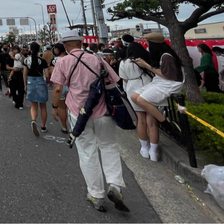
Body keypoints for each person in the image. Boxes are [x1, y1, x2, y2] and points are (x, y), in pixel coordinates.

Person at [51, 29, 128, 213]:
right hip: (103, 111)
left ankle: (96, 194)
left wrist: (55, 107)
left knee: (87, 152)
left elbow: (57, 89)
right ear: (81, 43)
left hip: (79, 113)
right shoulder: (96, 58)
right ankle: (115, 185)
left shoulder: (63, 62)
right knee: (109, 146)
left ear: (65, 46)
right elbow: (114, 80)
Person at [130, 33, 184, 162]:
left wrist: (146, 65)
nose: (147, 46)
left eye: (148, 43)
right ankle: (157, 114)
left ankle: (164, 122)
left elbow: (169, 76)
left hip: (169, 84)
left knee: (141, 100)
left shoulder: (166, 56)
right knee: (134, 96)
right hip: (160, 81)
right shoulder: (162, 54)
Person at [118, 42, 154, 159]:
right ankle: (154, 149)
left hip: (132, 88)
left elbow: (124, 79)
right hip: (148, 86)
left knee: (140, 119)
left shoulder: (124, 62)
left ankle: (144, 147)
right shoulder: (146, 58)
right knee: (151, 119)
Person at [23, 42, 49, 136]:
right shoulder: (42, 61)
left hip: (30, 82)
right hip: (40, 82)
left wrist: (25, 84)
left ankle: (33, 120)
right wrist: (47, 82)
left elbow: (24, 74)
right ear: (39, 50)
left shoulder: (26, 60)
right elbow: (47, 75)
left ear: (30, 49)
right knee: (43, 106)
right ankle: (43, 126)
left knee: (33, 105)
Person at [50, 43, 68, 133]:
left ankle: (64, 127)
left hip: (60, 85)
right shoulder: (70, 58)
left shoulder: (54, 60)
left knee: (62, 108)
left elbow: (52, 73)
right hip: (71, 85)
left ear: (57, 49)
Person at [9, 45, 25, 110]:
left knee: (16, 89)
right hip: (19, 72)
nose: (13, 51)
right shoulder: (21, 55)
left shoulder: (17, 55)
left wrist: (11, 55)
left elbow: (15, 59)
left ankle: (18, 103)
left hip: (17, 72)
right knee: (20, 89)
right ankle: (19, 103)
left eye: (14, 50)